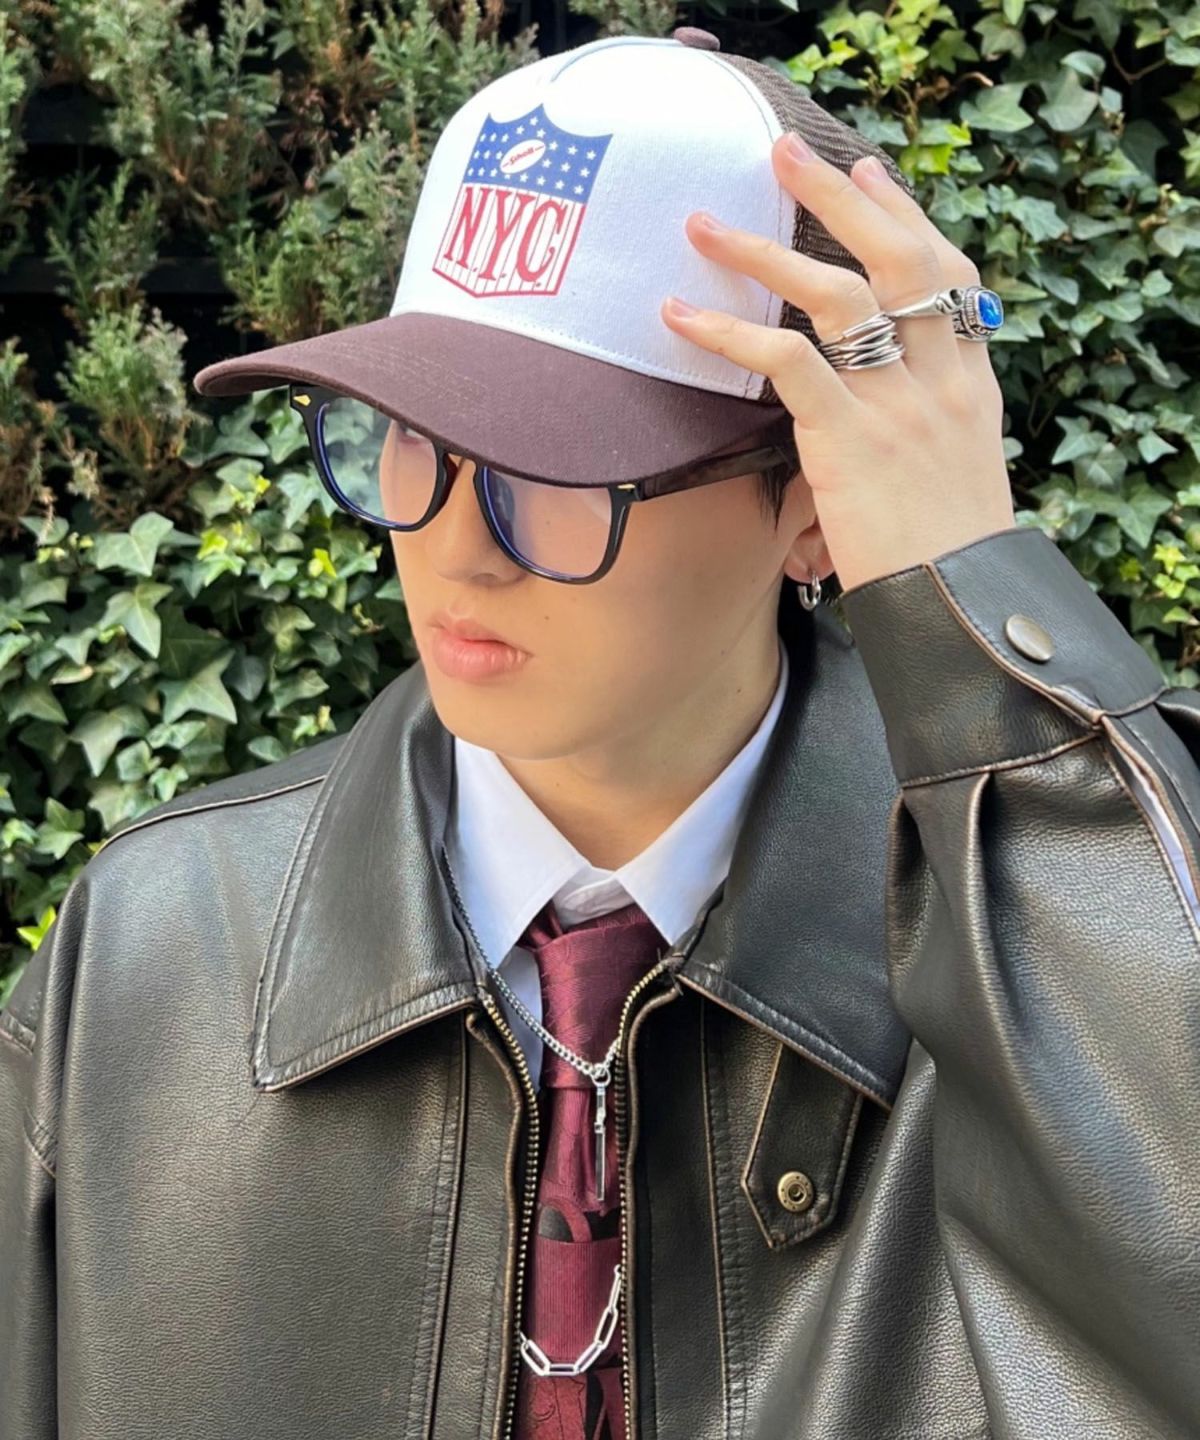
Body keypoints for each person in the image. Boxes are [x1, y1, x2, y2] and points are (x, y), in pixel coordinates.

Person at [3, 27, 1198, 1440]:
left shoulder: (1043, 953)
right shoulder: (151, 955)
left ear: (817, 504)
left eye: (559, 467)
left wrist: (976, 600)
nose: (455, 545)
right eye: (415, 432)